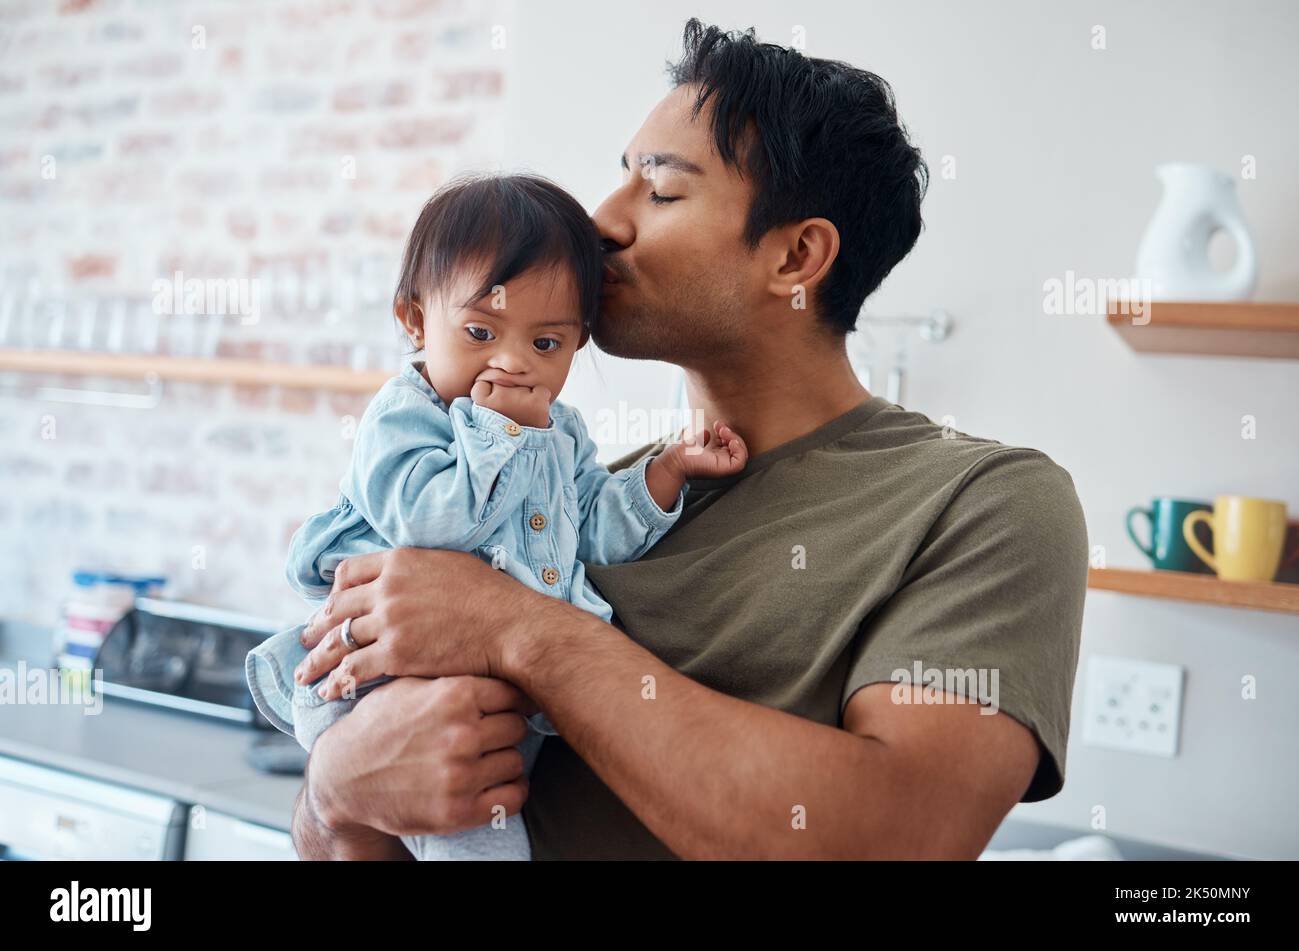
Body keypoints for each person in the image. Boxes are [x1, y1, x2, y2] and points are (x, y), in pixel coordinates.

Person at [287, 19, 1089, 860]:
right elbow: (358, 816)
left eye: (660, 192)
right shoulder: (578, 495)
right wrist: (335, 795)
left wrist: (516, 628)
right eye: (619, 180)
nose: (599, 222)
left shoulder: (983, 505)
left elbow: (898, 834)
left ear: (797, 257)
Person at [244, 174, 746, 860]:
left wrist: (665, 473)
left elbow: (590, 535)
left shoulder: (560, 431)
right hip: (384, 682)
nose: (512, 362)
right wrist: (494, 431)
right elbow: (427, 528)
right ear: (415, 319)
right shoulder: (406, 415)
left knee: (495, 815)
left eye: (547, 344)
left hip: (498, 704)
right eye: (481, 330)